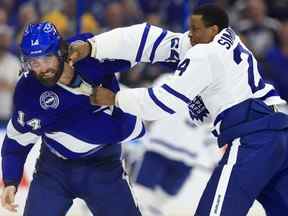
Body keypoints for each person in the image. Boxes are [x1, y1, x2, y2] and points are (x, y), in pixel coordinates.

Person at [69, 5, 288, 216]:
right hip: (279, 128)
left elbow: (162, 102)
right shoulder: (227, 38)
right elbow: (150, 39)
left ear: (212, 30)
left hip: (255, 136)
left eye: (195, 29)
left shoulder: (204, 54)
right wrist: (94, 45)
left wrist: (115, 98)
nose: (189, 35)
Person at [0, 22, 144, 216]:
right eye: (34, 62)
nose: (43, 68)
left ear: (60, 50)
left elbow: (134, 50)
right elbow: (16, 141)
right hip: (53, 170)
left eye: (47, 57)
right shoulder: (28, 92)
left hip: (104, 167)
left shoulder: (88, 52)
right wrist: (10, 181)